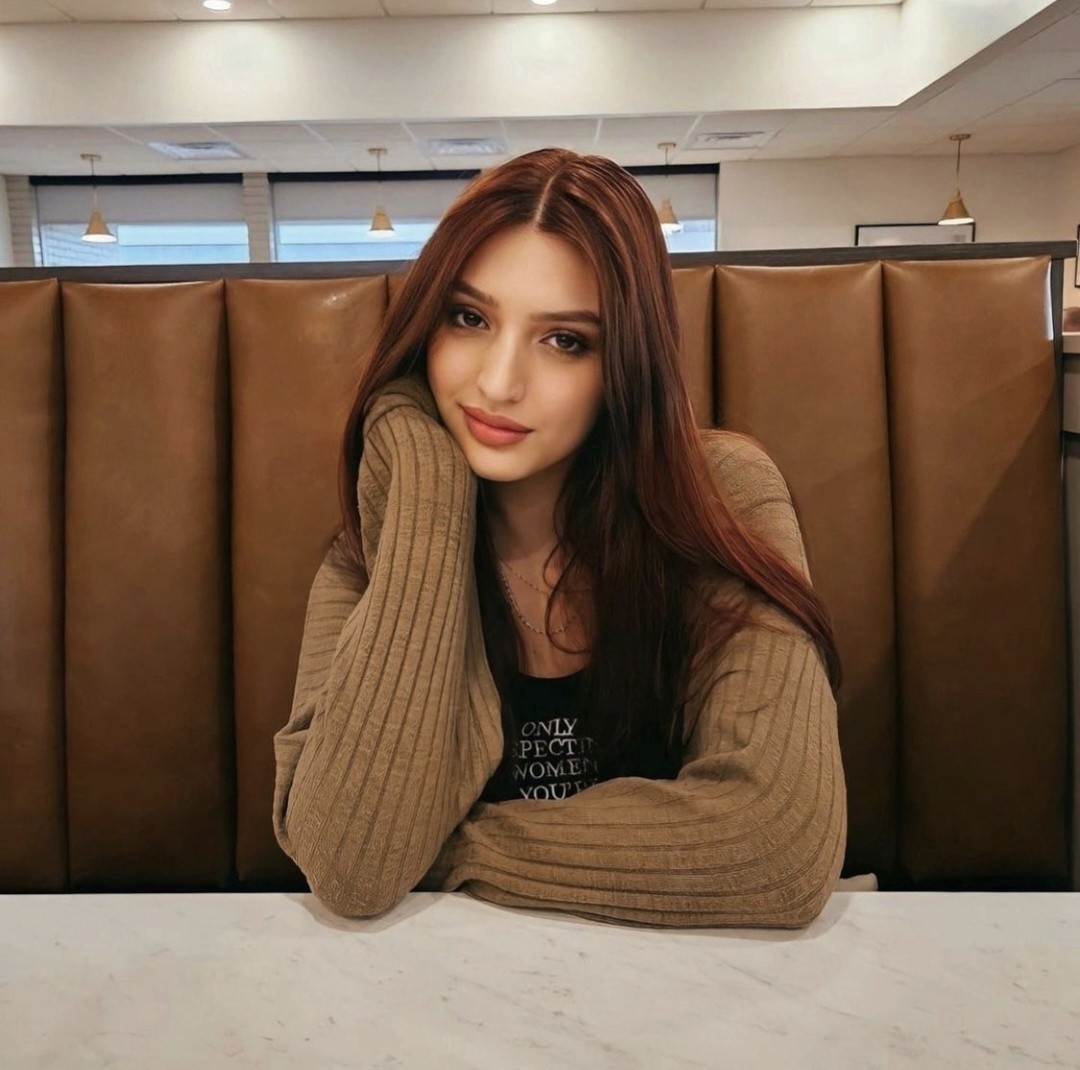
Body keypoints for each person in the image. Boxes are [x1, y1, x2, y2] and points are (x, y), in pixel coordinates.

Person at [271, 147, 850, 929]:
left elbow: (773, 846)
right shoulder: (373, 553)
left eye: (566, 340)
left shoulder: (724, 499)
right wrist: (425, 473)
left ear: (626, 366)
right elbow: (353, 867)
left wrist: (444, 852)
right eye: (469, 318)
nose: (498, 382)